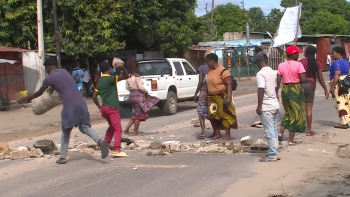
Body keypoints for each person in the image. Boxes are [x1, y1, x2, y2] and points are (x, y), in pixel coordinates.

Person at [21, 58, 109, 164]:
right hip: (81, 102)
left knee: (66, 131)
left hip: (69, 106)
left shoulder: (49, 78)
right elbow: (60, 85)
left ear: (47, 68)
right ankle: (100, 141)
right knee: (85, 127)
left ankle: (63, 157)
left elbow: (39, 93)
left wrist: (27, 99)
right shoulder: (64, 72)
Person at [277, 46, 313, 146]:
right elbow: (303, 79)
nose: (298, 55)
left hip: (285, 89)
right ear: (293, 54)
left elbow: (278, 80)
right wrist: (310, 79)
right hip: (295, 90)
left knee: (288, 112)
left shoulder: (281, 65)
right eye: (297, 53)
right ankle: (290, 140)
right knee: (296, 113)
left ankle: (280, 132)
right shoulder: (299, 64)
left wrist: (276, 92)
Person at [92, 59, 130, 157]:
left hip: (104, 108)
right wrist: (122, 67)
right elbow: (126, 77)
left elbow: (94, 96)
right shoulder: (110, 79)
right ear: (109, 69)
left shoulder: (100, 81)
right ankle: (117, 149)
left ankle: (106, 144)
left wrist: (99, 107)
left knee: (112, 127)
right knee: (118, 128)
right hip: (112, 107)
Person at [123, 58, 160, 137]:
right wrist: (146, 92)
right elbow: (140, 87)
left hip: (132, 95)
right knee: (138, 115)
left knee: (137, 113)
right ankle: (135, 133)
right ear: (136, 67)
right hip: (138, 96)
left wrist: (132, 91)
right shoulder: (137, 77)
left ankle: (127, 128)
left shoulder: (128, 78)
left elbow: (127, 87)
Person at [205, 53, 238, 140]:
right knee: (212, 116)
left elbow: (229, 84)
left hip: (221, 96)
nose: (207, 64)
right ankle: (217, 133)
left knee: (224, 115)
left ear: (213, 61)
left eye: (208, 62)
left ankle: (227, 135)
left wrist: (229, 97)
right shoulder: (209, 71)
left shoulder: (223, 71)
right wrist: (206, 92)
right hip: (211, 97)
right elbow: (208, 83)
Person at [255, 51, 280, 162]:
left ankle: (272, 155)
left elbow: (261, 89)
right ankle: (275, 151)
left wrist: (259, 106)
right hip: (275, 105)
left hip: (267, 106)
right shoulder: (273, 72)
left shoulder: (261, 74)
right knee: (274, 130)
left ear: (260, 61)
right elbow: (275, 87)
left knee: (269, 131)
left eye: (257, 62)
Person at [299, 45, 329, 136]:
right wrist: (325, 89)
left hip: (300, 86)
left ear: (306, 52)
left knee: (299, 108)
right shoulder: (318, 63)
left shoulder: (300, 62)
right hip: (311, 86)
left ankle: (298, 127)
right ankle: (308, 131)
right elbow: (320, 78)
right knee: (308, 109)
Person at [194, 51, 214, 139]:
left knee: (201, 112)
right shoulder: (214, 67)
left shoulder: (202, 67)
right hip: (213, 91)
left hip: (204, 91)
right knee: (212, 111)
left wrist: (196, 93)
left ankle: (203, 132)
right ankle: (215, 131)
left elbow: (201, 81)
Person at [329, 46, 350, 129]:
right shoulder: (345, 62)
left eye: (333, 53)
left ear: (339, 53)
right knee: (346, 102)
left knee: (340, 103)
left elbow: (337, 74)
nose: (331, 55)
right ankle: (346, 120)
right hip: (345, 83)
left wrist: (332, 86)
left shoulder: (336, 62)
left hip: (338, 84)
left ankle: (343, 123)